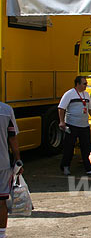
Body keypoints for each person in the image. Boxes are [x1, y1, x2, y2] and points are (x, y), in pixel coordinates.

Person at [58, 76, 91, 175]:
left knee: (86, 147)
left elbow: (90, 108)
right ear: (78, 84)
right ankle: (65, 166)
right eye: (84, 83)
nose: (86, 85)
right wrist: (62, 121)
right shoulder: (69, 94)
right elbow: (61, 108)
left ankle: (89, 168)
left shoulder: (86, 94)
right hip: (72, 125)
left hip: (84, 125)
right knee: (69, 147)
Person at [0, 102, 22, 238]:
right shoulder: (6, 110)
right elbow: (13, 138)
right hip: (2, 163)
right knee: (2, 200)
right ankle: (2, 233)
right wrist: (18, 160)